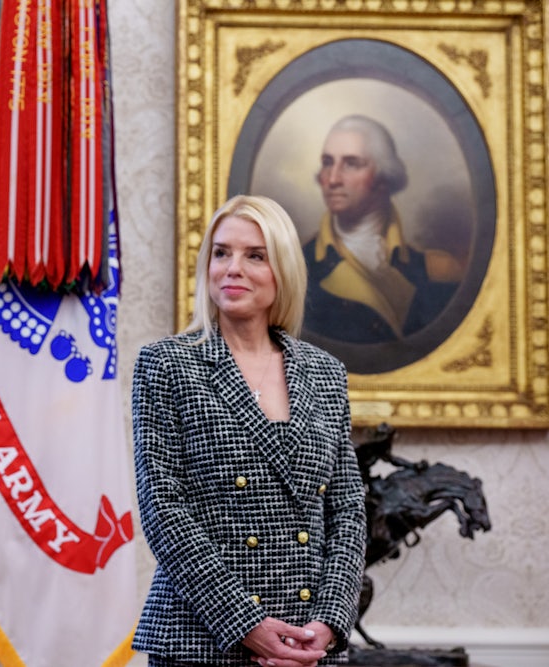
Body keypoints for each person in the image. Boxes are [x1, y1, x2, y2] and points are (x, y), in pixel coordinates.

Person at [131, 195, 366, 666]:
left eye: (254, 255)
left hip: (308, 648)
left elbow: (348, 511)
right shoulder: (166, 366)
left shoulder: (325, 372)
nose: (232, 268)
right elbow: (164, 510)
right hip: (202, 642)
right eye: (221, 252)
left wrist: (330, 622)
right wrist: (245, 623)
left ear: (282, 271)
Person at [303, 114, 462, 344]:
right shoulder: (295, 267)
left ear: (383, 177)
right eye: (328, 162)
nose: (333, 179)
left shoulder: (438, 271)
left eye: (351, 164)